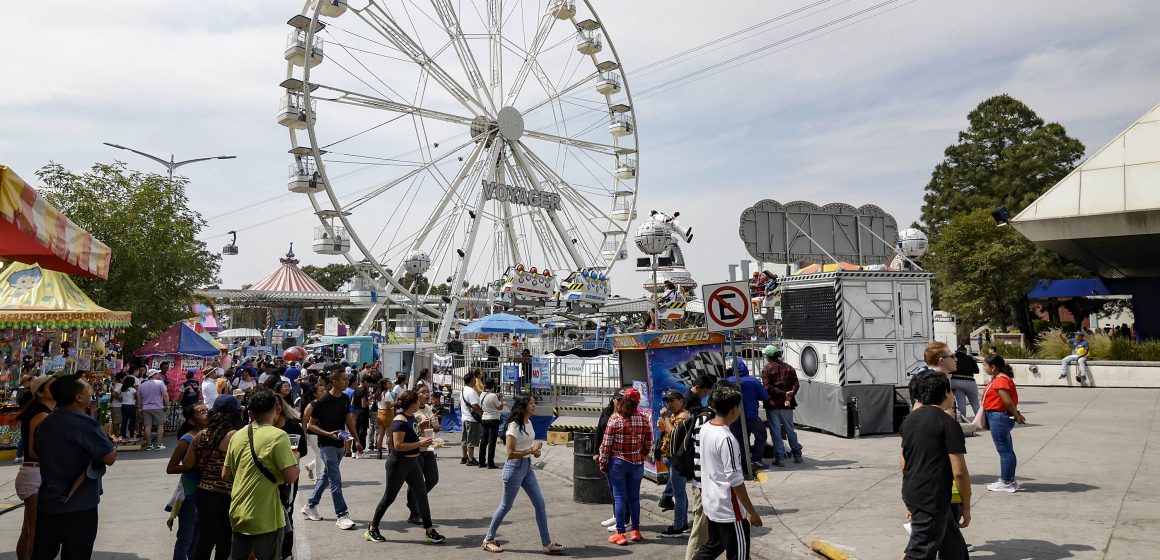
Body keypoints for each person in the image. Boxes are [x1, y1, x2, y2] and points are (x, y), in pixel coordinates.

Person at [32, 374, 117, 560]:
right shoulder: (84, 423)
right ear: (78, 397)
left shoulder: (45, 423)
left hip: (49, 502)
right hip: (79, 503)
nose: (91, 391)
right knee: (77, 553)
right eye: (88, 389)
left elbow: (35, 452)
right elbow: (109, 457)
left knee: (43, 553)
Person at [481, 394, 565, 554]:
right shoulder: (514, 425)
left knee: (540, 504)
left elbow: (526, 447)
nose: (534, 405)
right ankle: (488, 539)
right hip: (514, 468)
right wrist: (530, 450)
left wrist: (534, 452)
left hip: (527, 467)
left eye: (534, 403)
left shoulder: (529, 423)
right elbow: (510, 453)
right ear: (523, 406)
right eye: (531, 403)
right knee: (506, 505)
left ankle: (547, 544)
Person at [899, 372, 970, 560]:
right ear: (946, 393)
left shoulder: (909, 420)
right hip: (932, 498)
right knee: (921, 551)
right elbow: (960, 472)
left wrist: (913, 501)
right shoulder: (948, 424)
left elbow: (903, 461)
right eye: (952, 391)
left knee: (952, 545)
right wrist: (966, 507)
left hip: (915, 492)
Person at [223, 387, 300, 560]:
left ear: (249, 413)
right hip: (266, 517)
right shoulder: (278, 436)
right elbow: (291, 477)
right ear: (278, 409)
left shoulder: (237, 435)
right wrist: (296, 460)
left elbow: (226, 474)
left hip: (238, 513)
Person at [692, 382, 763, 560]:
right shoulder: (727, 439)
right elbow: (735, 480)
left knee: (712, 547)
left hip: (712, 505)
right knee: (738, 556)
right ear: (733, 410)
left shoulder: (706, 428)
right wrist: (752, 512)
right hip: (729, 511)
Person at [365, 390, 446, 544]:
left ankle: (429, 530)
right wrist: (420, 443)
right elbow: (398, 445)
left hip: (412, 463)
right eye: (417, 401)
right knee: (389, 497)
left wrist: (426, 439)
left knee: (422, 496)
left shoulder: (411, 417)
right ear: (412, 403)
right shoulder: (399, 420)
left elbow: (413, 436)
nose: (420, 403)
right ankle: (372, 529)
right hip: (398, 464)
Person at [301, 366, 362, 530]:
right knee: (336, 480)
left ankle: (310, 505)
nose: (347, 382)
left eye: (347, 380)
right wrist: (328, 434)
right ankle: (342, 515)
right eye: (344, 379)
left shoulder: (344, 398)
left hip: (340, 445)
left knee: (326, 477)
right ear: (334, 381)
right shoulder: (321, 402)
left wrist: (356, 440)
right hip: (326, 444)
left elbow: (348, 420)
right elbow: (310, 425)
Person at [188, 396, 243, 560]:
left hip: (204, 493)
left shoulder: (201, 435)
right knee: (225, 541)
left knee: (205, 539)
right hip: (228, 494)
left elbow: (189, 464)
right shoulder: (236, 436)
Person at [598, 387, 651, 545]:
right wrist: (642, 454)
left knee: (620, 498)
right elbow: (648, 443)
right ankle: (635, 530)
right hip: (637, 464)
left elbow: (606, 445)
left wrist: (603, 462)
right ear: (637, 403)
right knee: (634, 498)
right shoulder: (643, 419)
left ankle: (620, 533)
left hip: (618, 463)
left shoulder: (615, 419)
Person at [16, 375, 54, 560]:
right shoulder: (42, 414)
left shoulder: (41, 411)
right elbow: (35, 449)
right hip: (35, 473)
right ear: (40, 392)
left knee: (29, 530)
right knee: (36, 531)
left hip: (31, 473)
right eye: (52, 386)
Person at [167, 403, 209, 560]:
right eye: (201, 412)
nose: (206, 414)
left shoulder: (209, 435)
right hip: (189, 492)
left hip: (204, 492)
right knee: (186, 537)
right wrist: (190, 466)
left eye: (207, 410)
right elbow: (170, 468)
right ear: (192, 421)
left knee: (198, 536)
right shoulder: (187, 439)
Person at [983, 354, 1026, 493]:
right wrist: (1016, 414)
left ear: (993, 367)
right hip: (1001, 416)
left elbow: (1007, 401)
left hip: (999, 417)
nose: (983, 368)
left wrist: (1017, 415)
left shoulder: (1000, 380)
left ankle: (1006, 481)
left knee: (1004, 451)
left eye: (985, 365)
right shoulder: (1003, 378)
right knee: (1007, 449)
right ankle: (1009, 479)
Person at [272, 394, 307, 560]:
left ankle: (286, 553)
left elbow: (303, 450)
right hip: (268, 478)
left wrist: (292, 456)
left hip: (287, 478)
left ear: (279, 409)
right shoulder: (260, 426)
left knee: (286, 513)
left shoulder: (292, 427)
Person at [760, 345, 802, 467]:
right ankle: (797, 456)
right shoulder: (789, 368)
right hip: (787, 405)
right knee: (790, 430)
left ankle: (780, 459)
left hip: (773, 405)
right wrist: (789, 395)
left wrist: (783, 393)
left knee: (775, 432)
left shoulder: (766, 369)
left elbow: (767, 387)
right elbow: (796, 385)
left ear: (768, 357)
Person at [406, 384, 441, 525]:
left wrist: (436, 426)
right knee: (415, 482)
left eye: (428, 392)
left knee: (433, 479)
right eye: (423, 392)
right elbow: (410, 431)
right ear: (416, 394)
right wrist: (420, 425)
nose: (427, 394)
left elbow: (435, 427)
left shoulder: (429, 408)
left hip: (428, 449)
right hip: (415, 451)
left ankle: (416, 500)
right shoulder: (411, 411)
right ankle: (414, 512)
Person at [657, 389, 691, 538]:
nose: (669, 404)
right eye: (667, 401)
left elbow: (673, 433)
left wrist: (665, 418)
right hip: (673, 459)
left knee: (679, 494)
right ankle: (683, 524)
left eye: (672, 401)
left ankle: (677, 527)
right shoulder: (675, 415)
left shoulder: (683, 416)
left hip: (678, 459)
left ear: (681, 401)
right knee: (681, 493)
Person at [726, 359, 769, 473]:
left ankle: (743, 465)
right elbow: (764, 396)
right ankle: (756, 460)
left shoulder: (728, 381)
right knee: (761, 435)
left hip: (733, 416)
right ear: (745, 367)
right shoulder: (753, 381)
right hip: (751, 415)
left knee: (740, 440)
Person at [594, 391, 624, 531]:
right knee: (612, 489)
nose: (620, 402)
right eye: (618, 399)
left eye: (623, 400)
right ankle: (616, 515)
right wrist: (595, 452)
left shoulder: (626, 415)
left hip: (619, 457)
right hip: (606, 455)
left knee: (621, 491)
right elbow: (598, 432)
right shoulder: (606, 413)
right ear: (613, 400)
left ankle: (623, 519)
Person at [140, 369, 172, 451]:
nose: (158, 374)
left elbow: (139, 397)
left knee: (147, 426)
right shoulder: (160, 383)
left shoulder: (142, 385)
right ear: (153, 374)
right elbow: (165, 394)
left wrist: (140, 407)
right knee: (160, 425)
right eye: (157, 373)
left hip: (146, 407)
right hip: (158, 407)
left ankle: (149, 445)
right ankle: (158, 445)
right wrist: (167, 405)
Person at [478, 378, 504, 469]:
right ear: (493, 386)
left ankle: (481, 461)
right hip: (493, 419)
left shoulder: (482, 394)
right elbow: (500, 407)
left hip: (484, 418)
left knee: (484, 440)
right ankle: (490, 462)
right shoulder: (493, 396)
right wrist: (500, 398)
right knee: (492, 441)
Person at [951, 345, 980, 421]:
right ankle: (981, 420)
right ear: (965, 351)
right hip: (970, 382)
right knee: (975, 403)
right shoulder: (970, 358)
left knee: (961, 404)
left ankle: (964, 421)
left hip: (956, 382)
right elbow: (977, 371)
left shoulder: (953, 358)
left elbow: (949, 370)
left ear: (957, 351)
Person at [460, 370, 483, 466]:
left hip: (464, 418)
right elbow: (475, 406)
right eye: (474, 378)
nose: (475, 380)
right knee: (471, 440)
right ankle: (470, 458)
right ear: (471, 380)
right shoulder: (471, 392)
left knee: (464, 439)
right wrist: (482, 415)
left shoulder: (463, 390)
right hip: (472, 419)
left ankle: (464, 457)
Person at [373, 377, 394, 459]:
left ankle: (379, 452)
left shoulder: (378, 393)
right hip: (387, 414)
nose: (391, 385)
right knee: (389, 435)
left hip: (379, 413)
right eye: (389, 384)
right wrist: (395, 402)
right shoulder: (387, 394)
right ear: (385, 385)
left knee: (380, 434)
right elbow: (388, 406)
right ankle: (390, 451)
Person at [120, 374, 139, 441]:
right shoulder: (133, 390)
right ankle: (131, 436)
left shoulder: (123, 389)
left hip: (124, 405)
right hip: (131, 405)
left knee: (124, 421)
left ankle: (123, 437)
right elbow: (136, 397)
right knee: (132, 421)